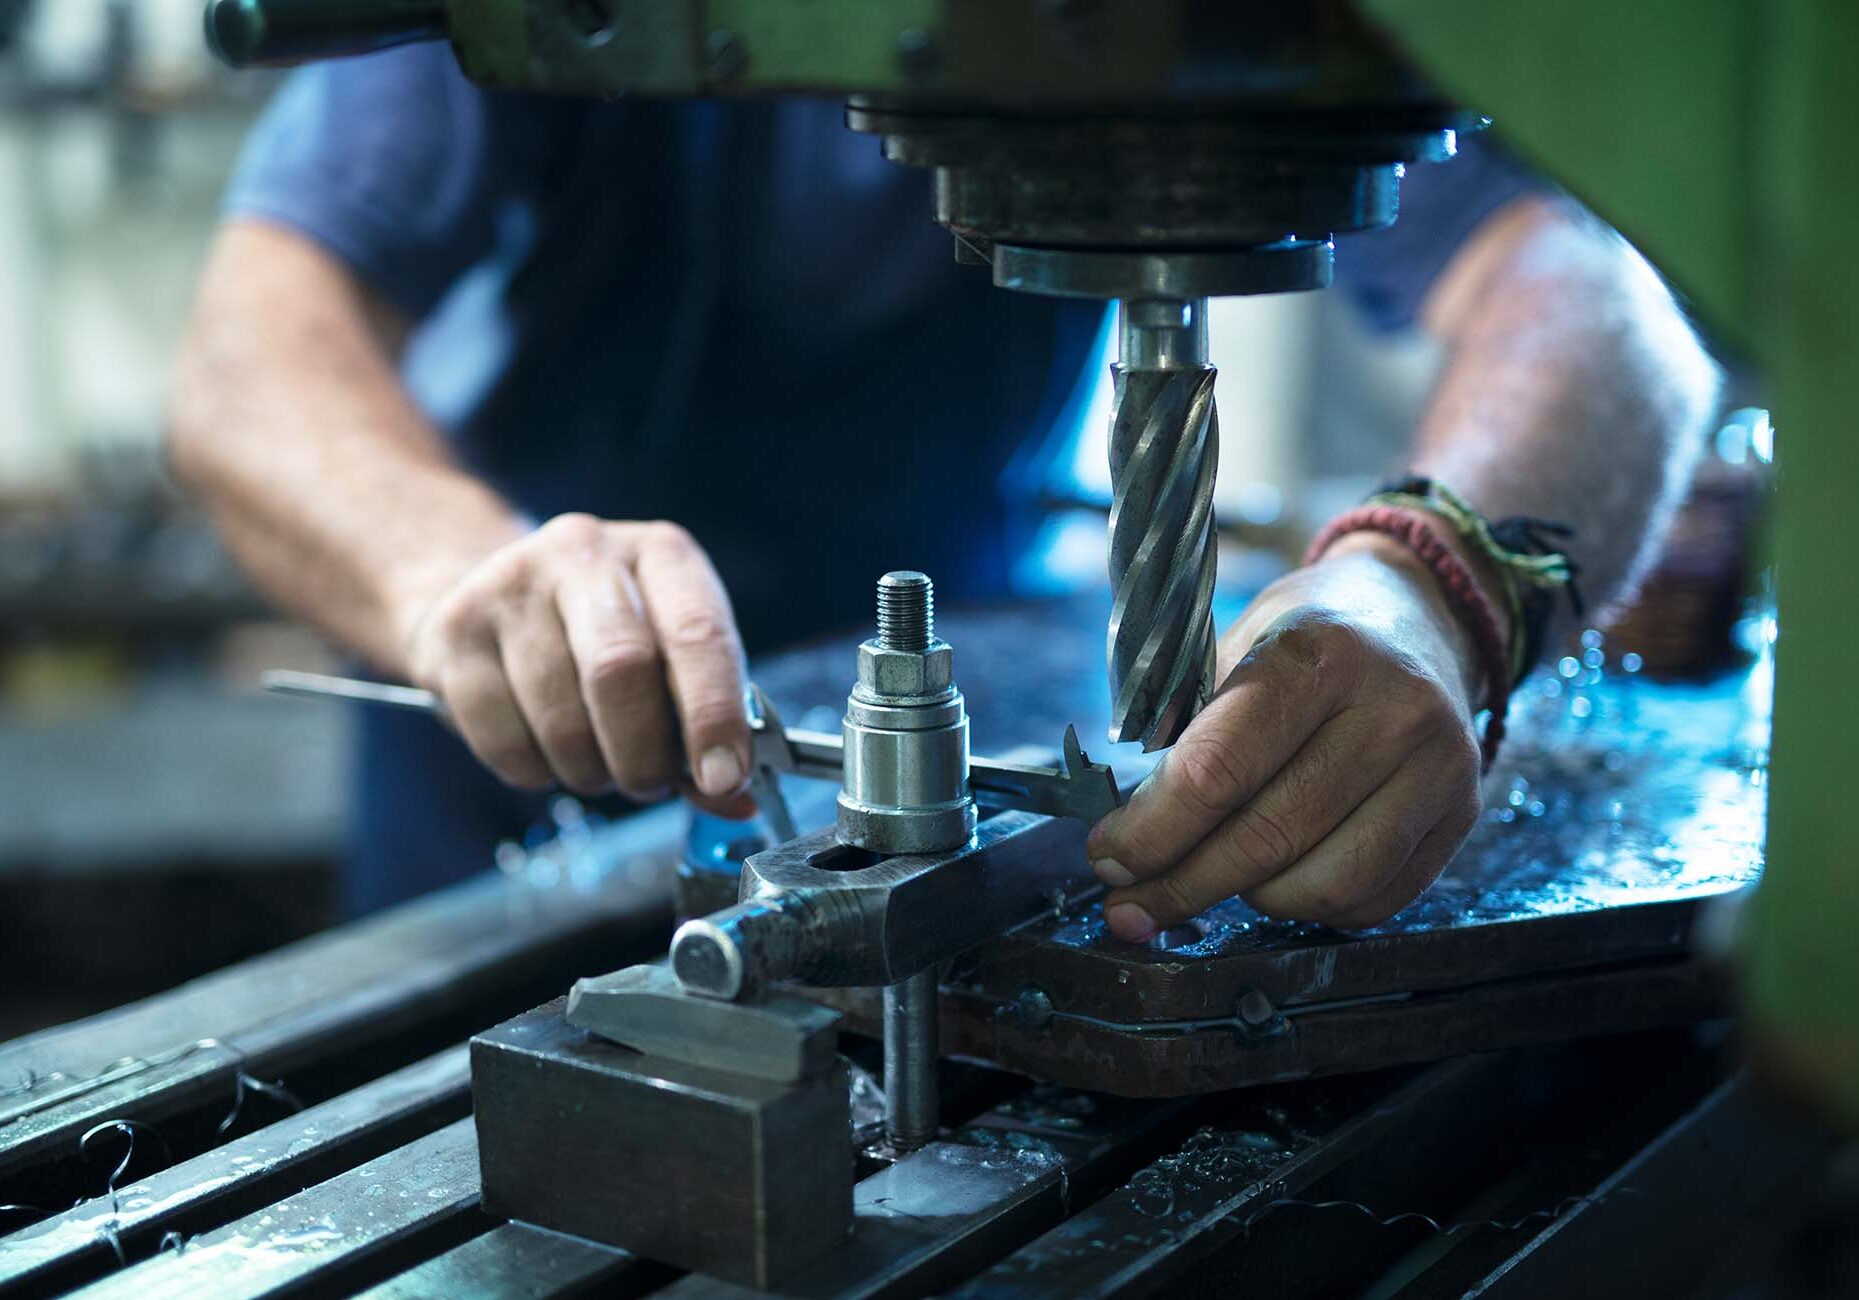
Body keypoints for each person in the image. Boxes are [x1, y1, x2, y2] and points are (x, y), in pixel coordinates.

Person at [168, 45, 1717, 929]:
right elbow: (250, 359)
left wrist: (1425, 585)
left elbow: (1597, 296)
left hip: (982, 793)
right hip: (536, 827)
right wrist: (453, 579)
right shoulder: (556, 36)